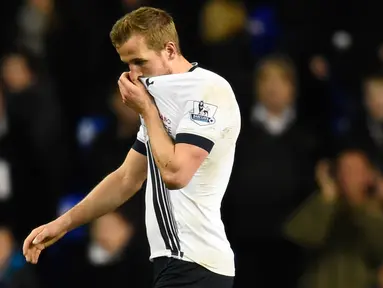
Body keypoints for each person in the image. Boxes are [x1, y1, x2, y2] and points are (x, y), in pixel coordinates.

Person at [23, 6, 241, 288]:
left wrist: (148, 111)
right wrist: (61, 225)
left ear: (170, 50)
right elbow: (127, 178)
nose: (134, 75)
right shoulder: (159, 98)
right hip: (171, 263)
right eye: (128, 64)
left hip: (197, 264)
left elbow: (176, 175)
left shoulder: (208, 90)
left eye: (140, 62)